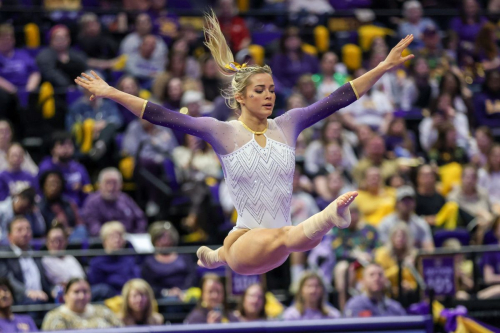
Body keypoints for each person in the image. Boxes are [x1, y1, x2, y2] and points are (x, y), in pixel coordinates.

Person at [74, 10, 415, 275]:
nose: (269, 96)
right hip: (247, 245)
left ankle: (214, 256)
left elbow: (339, 98)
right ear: (240, 97)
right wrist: (111, 92)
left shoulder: (289, 124)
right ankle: (323, 219)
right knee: (286, 237)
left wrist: (383, 66)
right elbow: (162, 115)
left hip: (280, 245)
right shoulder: (222, 132)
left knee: (285, 238)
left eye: (271, 89)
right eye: (259, 91)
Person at [0, 217, 52, 304]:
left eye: (28, 229)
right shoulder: (4, 255)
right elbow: (8, 280)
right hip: (20, 300)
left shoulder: (36, 254)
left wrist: (53, 290)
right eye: (19, 230)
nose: (25, 233)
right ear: (9, 236)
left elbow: (45, 280)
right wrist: (27, 292)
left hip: (42, 298)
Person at [81, 168, 147, 236]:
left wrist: (138, 233)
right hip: (103, 241)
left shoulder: (125, 199)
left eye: (115, 183)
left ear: (121, 185)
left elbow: (140, 218)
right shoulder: (92, 202)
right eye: (107, 182)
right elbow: (93, 226)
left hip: (128, 239)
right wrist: (113, 236)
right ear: (99, 184)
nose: (111, 187)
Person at [41, 278, 123, 330]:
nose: (82, 296)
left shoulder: (103, 311)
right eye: (76, 292)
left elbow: (121, 329)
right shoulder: (55, 317)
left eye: (85, 292)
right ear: (66, 295)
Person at [141, 222, 196, 299]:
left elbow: (192, 276)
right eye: (160, 238)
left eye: (168, 237)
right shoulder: (148, 262)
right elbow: (149, 285)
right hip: (161, 297)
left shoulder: (184, 256)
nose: (164, 241)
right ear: (154, 240)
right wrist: (167, 292)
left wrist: (182, 290)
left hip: (185, 294)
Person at [38, 132, 92, 207]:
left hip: (78, 209)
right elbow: (42, 192)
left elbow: (87, 191)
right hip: (54, 208)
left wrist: (81, 189)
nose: (66, 148)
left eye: (69, 145)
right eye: (62, 145)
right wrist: (70, 186)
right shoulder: (46, 167)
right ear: (53, 149)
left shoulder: (79, 168)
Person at [87, 221, 140, 295]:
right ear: (104, 241)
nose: (117, 240)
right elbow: (97, 288)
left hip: (130, 298)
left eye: (120, 236)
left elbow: (137, 281)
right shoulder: (96, 263)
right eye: (112, 236)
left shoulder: (130, 260)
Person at [378, 186, 435, 250]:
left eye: (410, 200)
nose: (407, 203)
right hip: (391, 258)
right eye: (404, 200)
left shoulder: (421, 224)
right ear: (396, 203)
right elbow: (382, 249)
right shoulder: (386, 223)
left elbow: (429, 250)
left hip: (414, 258)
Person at [38, 170, 86, 239]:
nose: (54, 186)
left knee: (82, 230)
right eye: (51, 183)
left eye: (57, 183)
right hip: (49, 240)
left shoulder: (69, 204)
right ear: (44, 185)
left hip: (71, 238)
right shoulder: (38, 207)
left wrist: (70, 230)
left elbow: (79, 223)